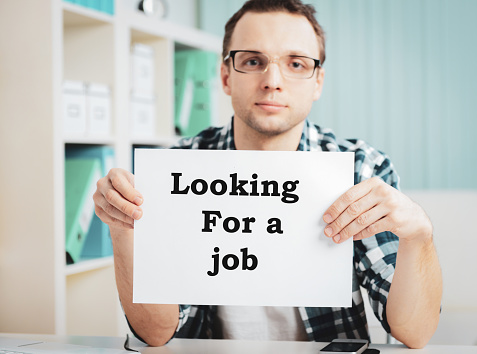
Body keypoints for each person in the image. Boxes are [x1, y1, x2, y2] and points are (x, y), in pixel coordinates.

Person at [93, 0, 442, 348]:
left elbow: (414, 331)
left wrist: (419, 236)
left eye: (296, 63)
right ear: (226, 76)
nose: (272, 81)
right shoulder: (176, 170)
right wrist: (122, 227)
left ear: (317, 81)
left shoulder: (361, 169)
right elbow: (157, 333)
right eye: (253, 61)